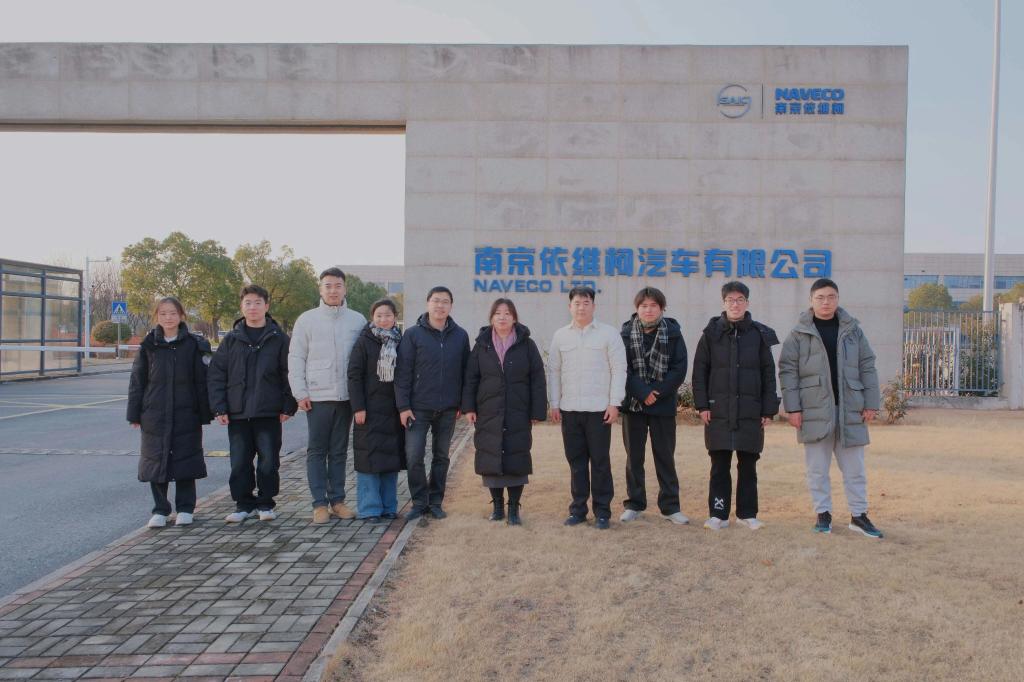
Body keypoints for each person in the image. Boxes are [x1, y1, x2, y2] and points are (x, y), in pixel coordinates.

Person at [778, 278, 884, 538]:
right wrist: (793, 409)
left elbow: (867, 365)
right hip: (813, 410)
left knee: (855, 469)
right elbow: (788, 371)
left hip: (850, 409)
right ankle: (823, 513)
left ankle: (859, 516)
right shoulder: (799, 334)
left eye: (831, 297)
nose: (826, 302)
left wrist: (872, 402)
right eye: (820, 297)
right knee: (817, 469)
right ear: (811, 300)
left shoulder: (853, 331)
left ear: (837, 299)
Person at [692, 281, 780, 531]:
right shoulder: (711, 334)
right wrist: (702, 405)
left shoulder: (759, 334)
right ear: (723, 303)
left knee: (748, 464)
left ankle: (747, 513)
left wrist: (768, 409)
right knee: (719, 464)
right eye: (730, 299)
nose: (735, 304)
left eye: (740, 299)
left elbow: (768, 373)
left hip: (750, 410)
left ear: (747, 303)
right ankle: (718, 514)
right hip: (718, 410)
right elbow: (699, 372)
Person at [208, 285, 298, 523]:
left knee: (269, 462)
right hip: (237, 412)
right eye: (248, 303)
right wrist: (219, 407)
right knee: (239, 463)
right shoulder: (231, 339)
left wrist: (288, 405)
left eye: (258, 302)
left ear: (266, 306)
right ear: (242, 307)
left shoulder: (279, 339)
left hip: (269, 412)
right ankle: (243, 504)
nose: (253, 307)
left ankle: (266, 503)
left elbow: (289, 373)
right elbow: (217, 374)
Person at [127, 297, 213, 528]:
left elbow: (203, 380)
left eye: (173, 313)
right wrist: (134, 413)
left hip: (187, 412)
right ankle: (160, 509)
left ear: (181, 315)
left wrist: (206, 411)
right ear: (157, 316)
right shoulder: (149, 345)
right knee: (155, 460)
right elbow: (137, 381)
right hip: (154, 413)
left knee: (186, 459)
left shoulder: (194, 344)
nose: (168, 318)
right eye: (163, 313)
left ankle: (185, 508)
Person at [289, 267, 365, 524]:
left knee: (339, 451)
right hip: (317, 396)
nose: (333, 290)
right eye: (328, 286)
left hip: (345, 397)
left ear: (345, 288)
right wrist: (300, 392)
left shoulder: (357, 320)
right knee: (317, 451)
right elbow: (296, 357)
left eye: (338, 286)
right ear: (320, 289)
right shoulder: (307, 320)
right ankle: (319, 504)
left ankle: (338, 501)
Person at [462, 298, 547, 526]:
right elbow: (471, 378)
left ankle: (513, 508)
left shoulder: (526, 344)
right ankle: (498, 506)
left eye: (507, 313)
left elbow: (538, 378)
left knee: (516, 456)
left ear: (514, 317)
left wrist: (537, 410)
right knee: (490, 456)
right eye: (498, 313)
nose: (502, 317)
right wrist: (468, 407)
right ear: (491, 317)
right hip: (488, 410)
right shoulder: (482, 345)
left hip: (518, 410)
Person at [548, 286, 627, 530]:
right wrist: (555, 403)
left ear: (594, 305)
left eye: (586, 302)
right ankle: (578, 510)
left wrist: (614, 403)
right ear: (569, 306)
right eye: (577, 303)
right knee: (576, 462)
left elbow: (619, 369)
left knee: (600, 462)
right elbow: (554, 371)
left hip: (599, 410)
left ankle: (602, 512)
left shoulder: (608, 334)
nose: (581, 307)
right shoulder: (560, 336)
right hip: (570, 409)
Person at [395, 286, 470, 521]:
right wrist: (403, 406)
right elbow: (403, 373)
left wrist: (463, 403)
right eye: (436, 300)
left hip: (448, 408)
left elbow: (466, 373)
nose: (440, 305)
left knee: (441, 457)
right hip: (417, 408)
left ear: (451, 306)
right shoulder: (412, 335)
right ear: (428, 303)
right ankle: (419, 502)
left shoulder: (460, 336)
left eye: (445, 301)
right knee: (414, 456)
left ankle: (436, 501)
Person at [618, 287, 689, 525]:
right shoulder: (625, 333)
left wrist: (656, 392)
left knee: (665, 457)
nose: (648, 310)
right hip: (634, 405)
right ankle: (634, 504)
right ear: (637, 309)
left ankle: (670, 507)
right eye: (644, 306)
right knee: (634, 458)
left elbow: (679, 368)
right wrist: (642, 392)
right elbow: (622, 368)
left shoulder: (674, 333)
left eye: (653, 306)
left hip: (663, 404)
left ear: (662, 308)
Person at [348, 298, 405, 522]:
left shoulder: (400, 341)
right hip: (369, 410)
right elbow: (354, 375)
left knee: (390, 460)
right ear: (372, 317)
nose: (383, 319)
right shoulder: (364, 341)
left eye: (388, 315)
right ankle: (370, 509)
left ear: (395, 317)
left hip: (393, 410)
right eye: (379, 315)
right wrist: (358, 407)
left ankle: (389, 506)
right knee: (369, 460)